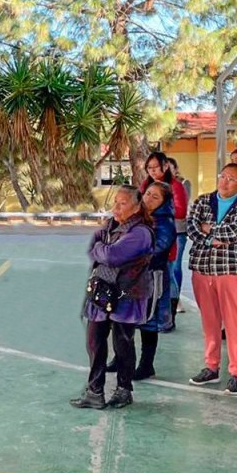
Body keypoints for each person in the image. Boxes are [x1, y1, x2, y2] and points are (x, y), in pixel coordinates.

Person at [70, 186, 153, 410]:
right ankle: (94, 392)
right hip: (102, 291)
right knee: (94, 341)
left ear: (136, 207)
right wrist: (101, 248)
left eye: (122, 203)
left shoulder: (141, 232)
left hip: (127, 294)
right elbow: (93, 246)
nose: (116, 207)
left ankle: (124, 390)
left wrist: (101, 248)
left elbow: (111, 255)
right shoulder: (111, 225)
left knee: (122, 343)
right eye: (115, 202)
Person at [186, 163, 237, 395]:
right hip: (202, 269)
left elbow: (236, 232)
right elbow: (192, 228)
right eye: (223, 176)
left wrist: (209, 229)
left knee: (235, 323)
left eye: (231, 178)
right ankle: (211, 366)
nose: (224, 182)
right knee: (210, 322)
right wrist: (212, 237)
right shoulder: (202, 201)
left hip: (231, 270)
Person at [134, 181, 176, 379]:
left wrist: (127, 254)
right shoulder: (136, 215)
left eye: (155, 197)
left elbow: (156, 249)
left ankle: (146, 364)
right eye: (148, 193)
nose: (149, 198)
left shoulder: (165, 223)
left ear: (163, 202)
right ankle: (120, 358)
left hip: (151, 277)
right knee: (123, 317)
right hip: (130, 276)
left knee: (148, 321)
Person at [142, 153, 188, 323]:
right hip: (148, 233)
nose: (152, 171)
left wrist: (157, 210)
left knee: (170, 272)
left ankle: (169, 314)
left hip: (173, 234)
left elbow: (181, 211)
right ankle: (153, 313)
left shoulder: (175, 185)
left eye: (156, 167)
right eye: (149, 168)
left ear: (165, 166)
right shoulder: (146, 184)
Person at [166, 157, 192, 318]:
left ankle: (176, 298)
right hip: (162, 230)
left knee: (175, 266)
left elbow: (181, 206)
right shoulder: (156, 185)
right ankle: (169, 297)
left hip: (178, 230)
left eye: (170, 167)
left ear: (175, 169)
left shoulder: (183, 184)